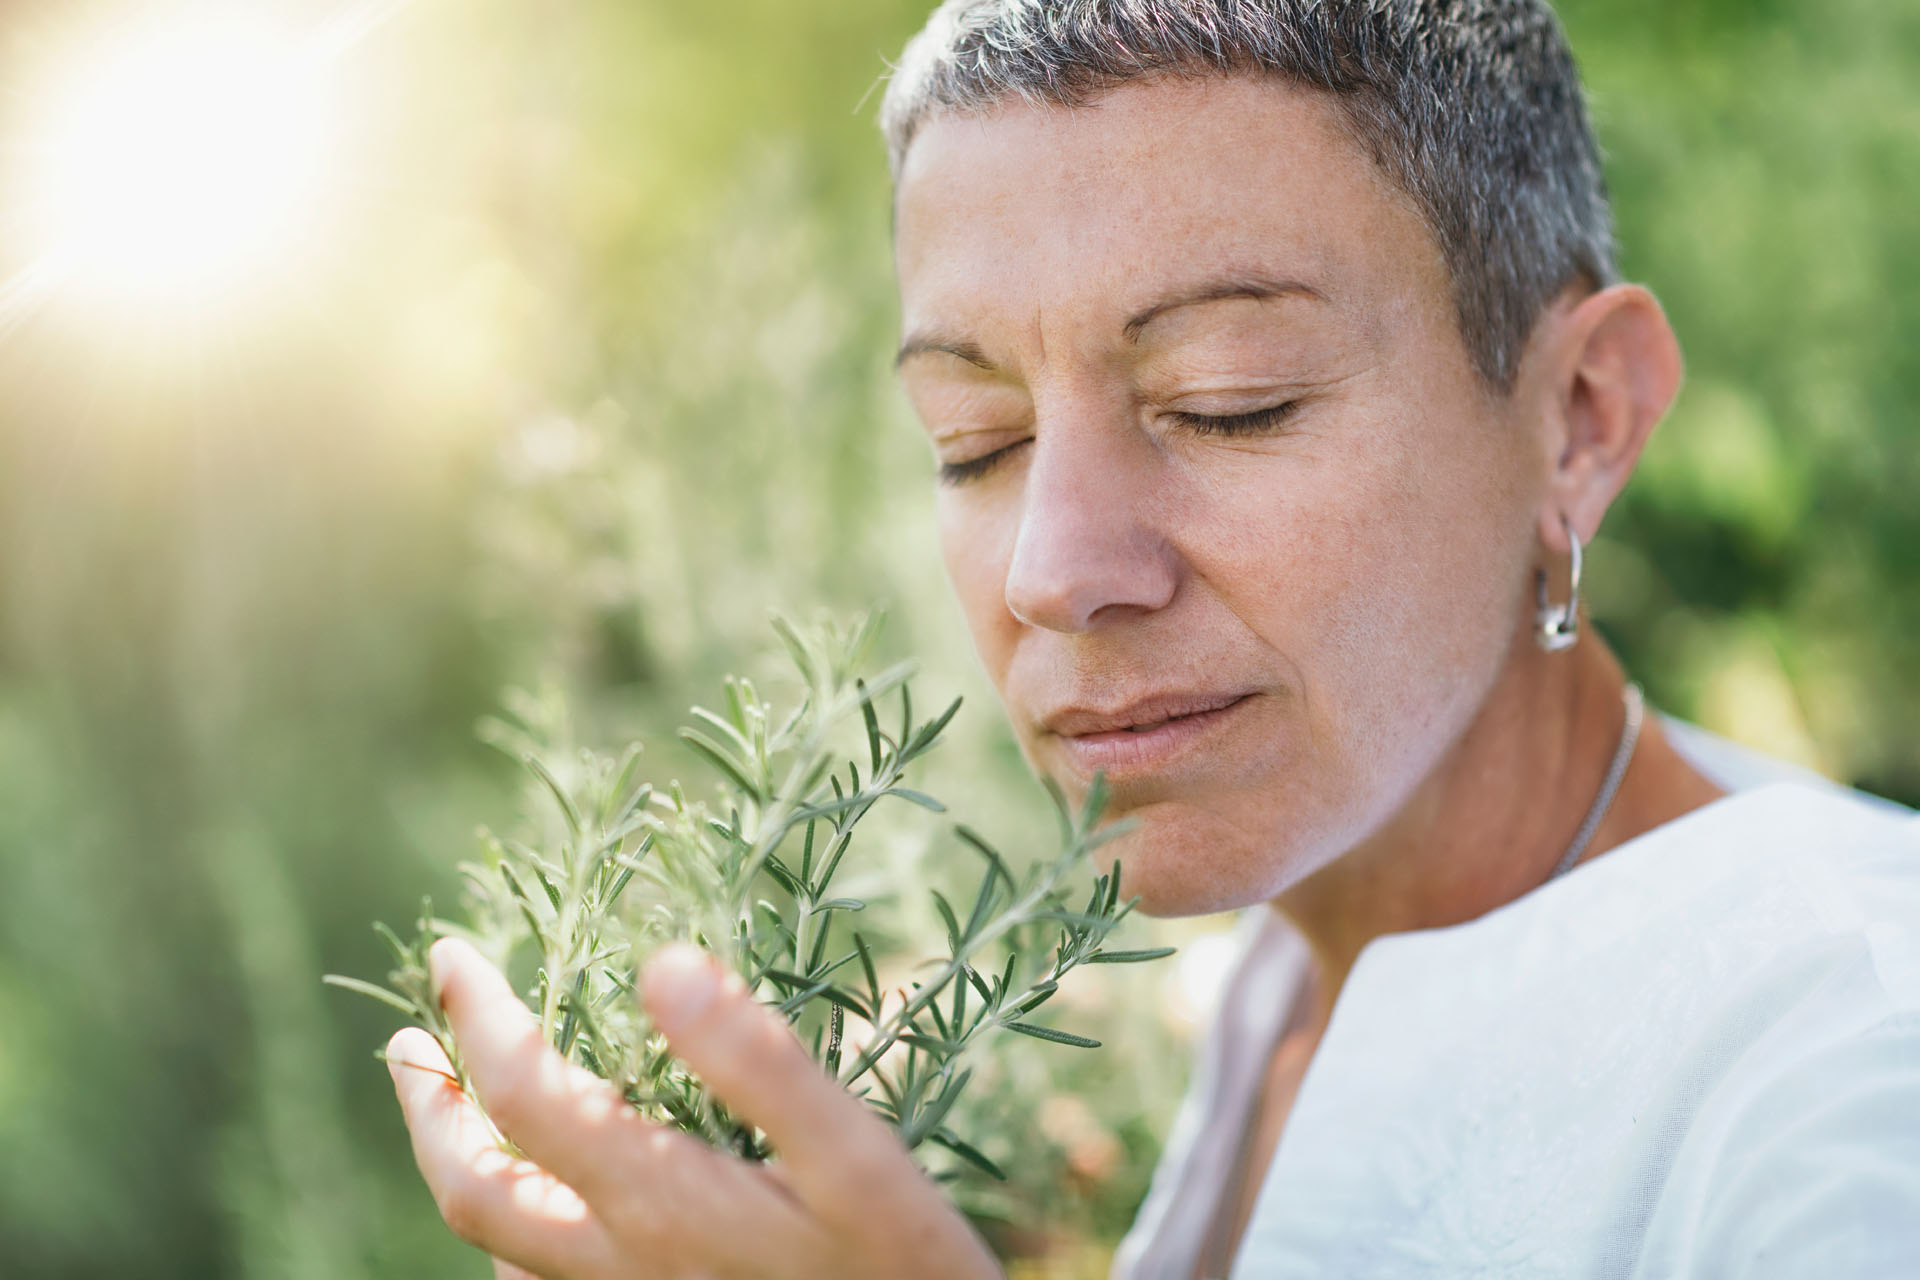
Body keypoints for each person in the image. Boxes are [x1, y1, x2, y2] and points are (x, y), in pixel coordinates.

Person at [385, 2, 1920, 1276]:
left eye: (1225, 400)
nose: (1056, 569)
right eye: (975, 440)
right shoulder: (1249, 990)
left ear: (1580, 417)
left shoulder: (1849, 1070)